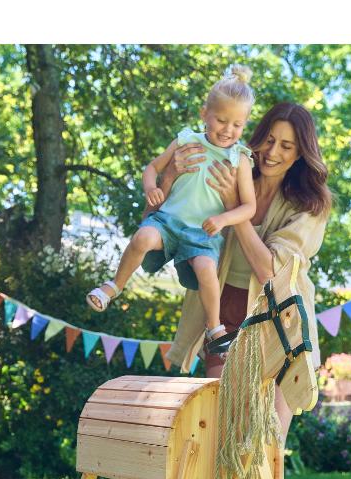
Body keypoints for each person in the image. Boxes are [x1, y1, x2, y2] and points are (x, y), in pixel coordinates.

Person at [163, 101, 332, 479]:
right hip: (225, 320)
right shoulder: (232, 168)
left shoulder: (310, 205)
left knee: (267, 446)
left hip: (282, 329)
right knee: (232, 438)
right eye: (269, 140)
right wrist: (169, 173)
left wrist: (237, 212)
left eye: (287, 146)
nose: (273, 152)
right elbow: (169, 219)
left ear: (301, 154)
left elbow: (272, 271)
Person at [87, 65, 257, 345]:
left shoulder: (240, 159)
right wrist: (151, 187)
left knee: (206, 270)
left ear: (244, 124)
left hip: (202, 232)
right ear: (204, 114)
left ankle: (214, 327)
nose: (228, 130)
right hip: (167, 221)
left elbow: (248, 207)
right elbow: (152, 168)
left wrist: (225, 219)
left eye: (237, 125)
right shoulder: (186, 140)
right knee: (142, 237)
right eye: (221, 120)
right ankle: (113, 286)